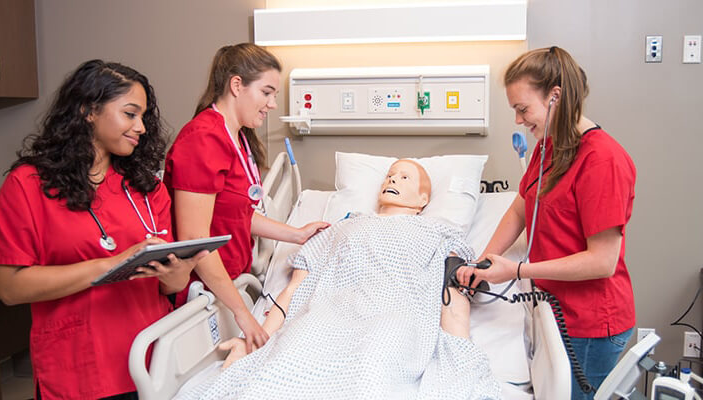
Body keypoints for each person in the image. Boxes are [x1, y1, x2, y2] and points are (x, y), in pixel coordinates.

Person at [175, 160, 501, 400]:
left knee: (375, 359)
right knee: (290, 353)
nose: (392, 179)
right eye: (389, 175)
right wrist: (256, 340)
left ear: (423, 200)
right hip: (329, 313)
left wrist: (461, 347)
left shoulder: (438, 232)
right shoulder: (342, 227)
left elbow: (453, 296)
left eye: (404, 177)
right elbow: (294, 289)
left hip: (394, 316)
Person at [0, 60, 207, 399]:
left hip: (153, 360)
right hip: (81, 367)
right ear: (88, 111)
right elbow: (10, 288)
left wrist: (177, 272)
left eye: (143, 117)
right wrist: (110, 264)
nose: (142, 128)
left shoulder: (148, 188)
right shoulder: (28, 185)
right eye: (130, 114)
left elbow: (171, 287)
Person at [457, 46, 636, 399]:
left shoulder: (603, 161)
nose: (519, 121)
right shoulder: (547, 148)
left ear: (555, 97)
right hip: (554, 309)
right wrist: (483, 262)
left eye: (523, 109)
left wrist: (517, 270)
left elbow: (602, 261)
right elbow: (521, 209)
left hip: (591, 324)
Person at [163, 43, 329, 353]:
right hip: (199, 290)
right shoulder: (203, 139)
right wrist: (242, 313)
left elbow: (236, 212)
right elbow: (195, 238)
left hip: (227, 283)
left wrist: (295, 234)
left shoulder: (236, 137)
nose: (272, 104)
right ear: (236, 85)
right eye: (266, 92)